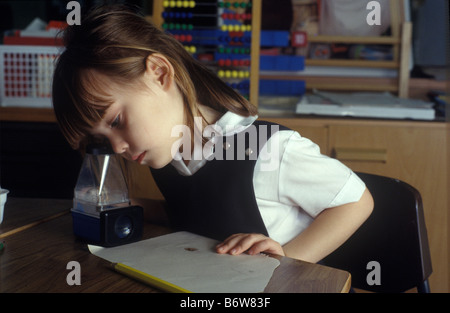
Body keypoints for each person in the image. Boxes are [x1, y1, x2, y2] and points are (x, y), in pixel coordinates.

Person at [52, 4, 373, 263]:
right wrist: (127, 204)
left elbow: (355, 202)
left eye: (117, 120)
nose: (118, 146)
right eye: (103, 139)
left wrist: (287, 257)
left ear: (160, 74)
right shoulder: (172, 159)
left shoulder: (268, 151)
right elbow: (192, 211)